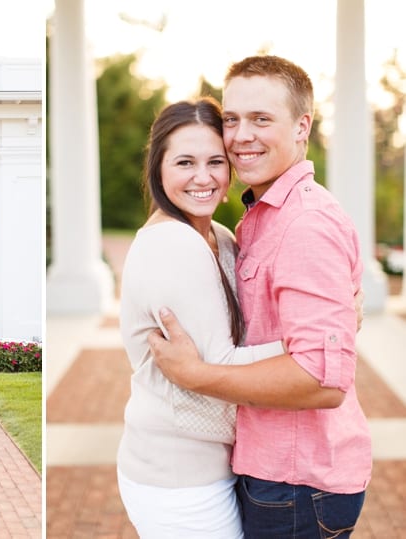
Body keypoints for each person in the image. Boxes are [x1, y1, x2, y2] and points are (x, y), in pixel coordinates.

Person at [147, 55, 371, 538]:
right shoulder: (261, 217)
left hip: (298, 482)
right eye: (232, 119)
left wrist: (196, 375)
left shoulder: (304, 224)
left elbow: (322, 380)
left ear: (301, 127)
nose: (241, 135)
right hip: (276, 469)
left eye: (261, 119)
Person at [117, 97, 284, 538]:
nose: (203, 177)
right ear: (158, 169)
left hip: (216, 466)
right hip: (177, 480)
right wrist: (310, 342)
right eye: (185, 162)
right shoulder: (172, 243)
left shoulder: (220, 237)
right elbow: (222, 370)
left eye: (215, 161)